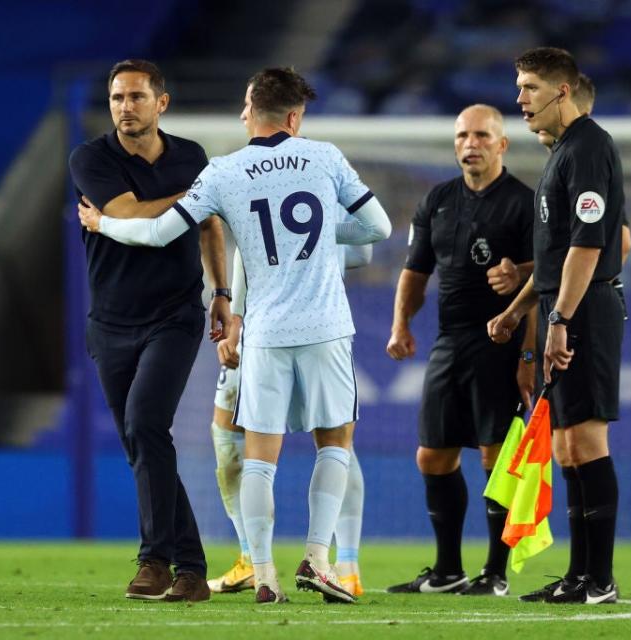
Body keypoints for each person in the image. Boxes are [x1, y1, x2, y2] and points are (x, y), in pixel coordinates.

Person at [78, 67, 392, 605]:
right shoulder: (325, 157)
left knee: (258, 457)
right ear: (296, 117)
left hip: (265, 332)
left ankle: (264, 574)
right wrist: (317, 237)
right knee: (335, 445)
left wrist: (103, 224)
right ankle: (321, 560)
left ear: (253, 110)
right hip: (325, 327)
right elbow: (378, 230)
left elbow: (156, 232)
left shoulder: (224, 171)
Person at [68, 59, 231, 603]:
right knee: (145, 444)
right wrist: (196, 198)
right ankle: (191, 571)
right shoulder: (90, 158)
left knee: (145, 424)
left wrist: (222, 294)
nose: (124, 107)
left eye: (136, 97)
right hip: (110, 323)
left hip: (174, 316)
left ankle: (154, 561)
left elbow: (208, 227)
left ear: (161, 103)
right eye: (117, 98)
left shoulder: (192, 156)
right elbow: (133, 217)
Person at [488, 47, 625, 605]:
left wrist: (561, 319)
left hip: (586, 309)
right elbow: (554, 256)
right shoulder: (563, 152)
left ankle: (602, 579)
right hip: (562, 308)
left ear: (561, 91)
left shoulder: (589, 148)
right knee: (566, 446)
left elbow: (588, 246)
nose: (520, 99)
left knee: (588, 440)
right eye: (519, 87)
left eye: (529, 88)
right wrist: (522, 308)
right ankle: (579, 574)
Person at [385, 104, 535, 596]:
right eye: (463, 136)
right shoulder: (438, 200)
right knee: (432, 455)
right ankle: (447, 569)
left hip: (503, 341)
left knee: (495, 453)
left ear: (502, 144)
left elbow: (552, 273)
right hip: (449, 340)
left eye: (482, 136)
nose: (471, 144)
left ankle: (496, 571)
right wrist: (401, 325)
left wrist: (528, 352)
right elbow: (415, 270)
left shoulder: (523, 203)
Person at [208, 239, 372, 598]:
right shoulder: (326, 185)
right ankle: (277, 561)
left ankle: (335, 563)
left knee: (327, 441)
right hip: (297, 327)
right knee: (334, 440)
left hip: (272, 329)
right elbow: (367, 242)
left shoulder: (255, 182)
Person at [537, 73, 631, 272]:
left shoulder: (586, 162)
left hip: (583, 298)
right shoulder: (560, 165)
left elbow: (622, 242)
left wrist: (580, 289)